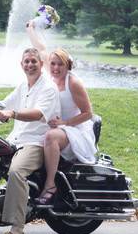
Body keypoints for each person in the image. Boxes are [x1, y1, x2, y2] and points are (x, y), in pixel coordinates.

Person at [0, 47, 60, 234]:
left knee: (16, 171)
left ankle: (17, 230)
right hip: (16, 139)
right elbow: (3, 104)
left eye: (33, 61)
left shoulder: (48, 88)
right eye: (26, 62)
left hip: (36, 142)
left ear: (41, 64)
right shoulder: (23, 85)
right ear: (21, 65)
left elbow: (38, 113)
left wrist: (12, 113)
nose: (29, 65)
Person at [26, 21, 97, 205]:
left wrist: (64, 123)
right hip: (57, 125)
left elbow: (88, 113)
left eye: (60, 65)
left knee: (50, 137)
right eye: (53, 64)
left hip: (75, 129)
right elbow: (39, 47)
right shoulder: (50, 74)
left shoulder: (73, 83)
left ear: (68, 65)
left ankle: (50, 184)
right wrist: (31, 28)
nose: (56, 68)